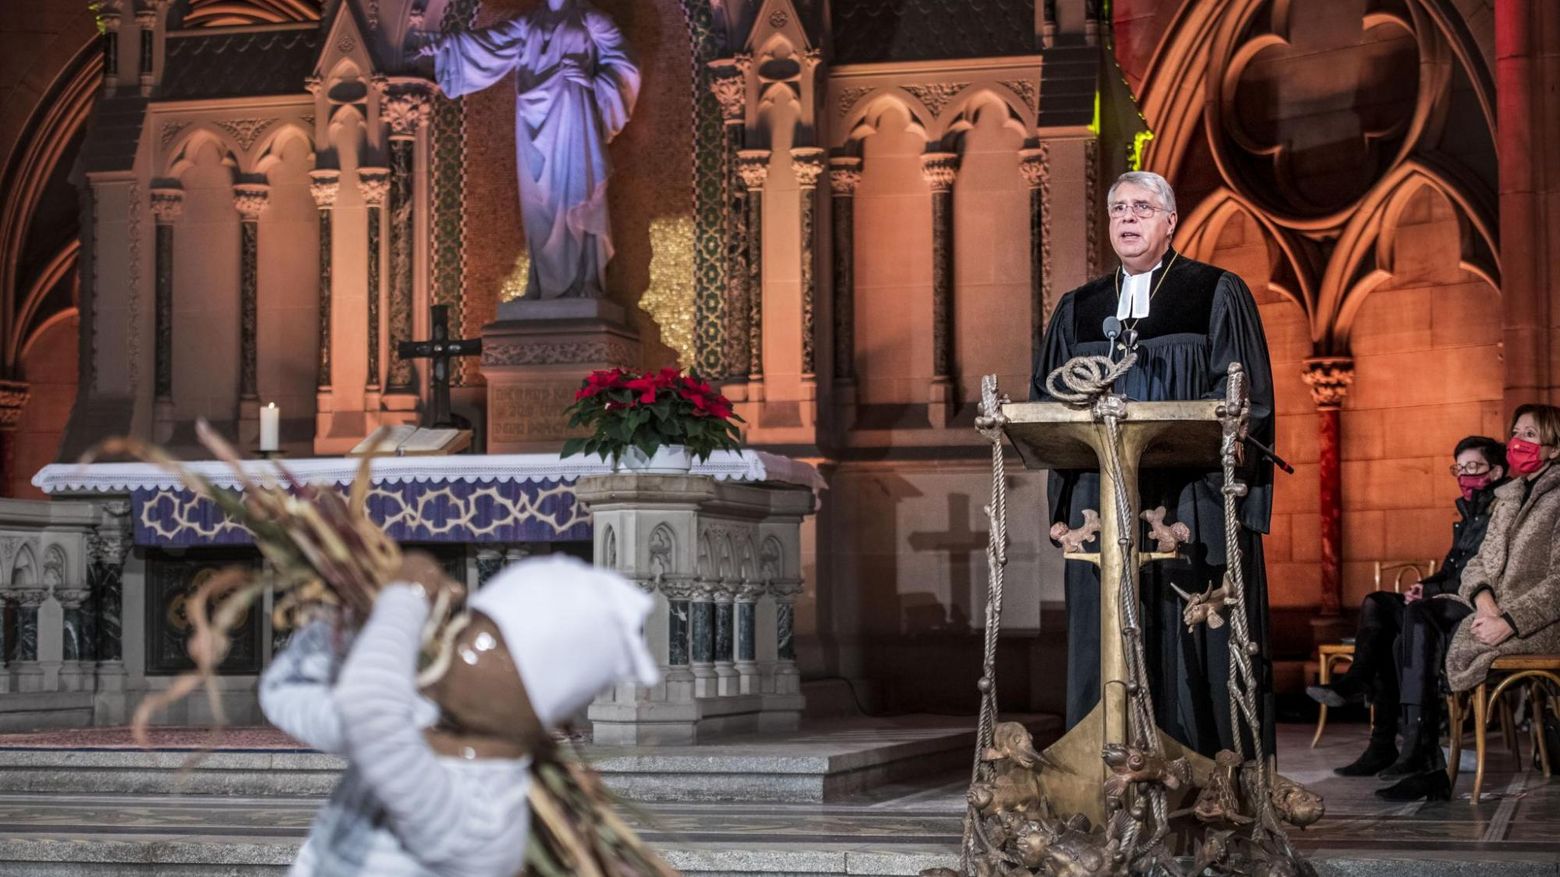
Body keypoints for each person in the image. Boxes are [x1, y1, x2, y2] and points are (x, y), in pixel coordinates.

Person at [1031, 170, 1277, 758]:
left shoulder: (1214, 292)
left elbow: (1248, 402)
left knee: (1190, 639)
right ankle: (1103, 772)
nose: (1127, 217)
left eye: (1142, 207)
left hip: (1190, 496)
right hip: (1102, 498)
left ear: (1171, 221)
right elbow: (1048, 402)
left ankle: (1207, 777)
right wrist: (1065, 506)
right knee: (1106, 632)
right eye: (1117, 208)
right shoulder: (1079, 309)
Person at [260, 553, 659, 875]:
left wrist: (403, 600)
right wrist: (349, 618)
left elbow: (371, 716)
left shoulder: (484, 817)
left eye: (475, 632)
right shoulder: (416, 720)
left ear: (533, 691)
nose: (451, 635)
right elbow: (287, 692)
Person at [1306, 436, 1508, 778]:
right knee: (1378, 606)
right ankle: (1378, 731)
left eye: (1473, 468)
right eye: (1458, 468)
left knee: (1396, 629)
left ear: (1497, 471)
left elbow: (1481, 573)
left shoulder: (1499, 513)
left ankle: (1382, 729)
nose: (1464, 475)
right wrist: (1425, 586)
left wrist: (1434, 591)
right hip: (1442, 601)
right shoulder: (1467, 514)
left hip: (1472, 608)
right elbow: (1450, 570)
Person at [420, 0, 640, 299]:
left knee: (578, 191)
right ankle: (542, 283)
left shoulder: (591, 19)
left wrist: (593, 81)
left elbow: (625, 64)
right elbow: (489, 44)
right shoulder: (528, 23)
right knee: (539, 204)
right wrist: (448, 45)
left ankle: (586, 281)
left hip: (573, 110)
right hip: (531, 120)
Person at [1396, 403, 1560, 801]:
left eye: (1530, 435)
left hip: (1537, 624)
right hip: (1492, 614)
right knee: (1419, 616)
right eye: (1516, 433)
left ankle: (1427, 761)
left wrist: (1511, 620)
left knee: (1436, 639)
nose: (1518, 442)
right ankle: (1424, 757)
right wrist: (1486, 605)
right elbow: (1478, 564)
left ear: (1554, 448)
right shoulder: (1508, 496)